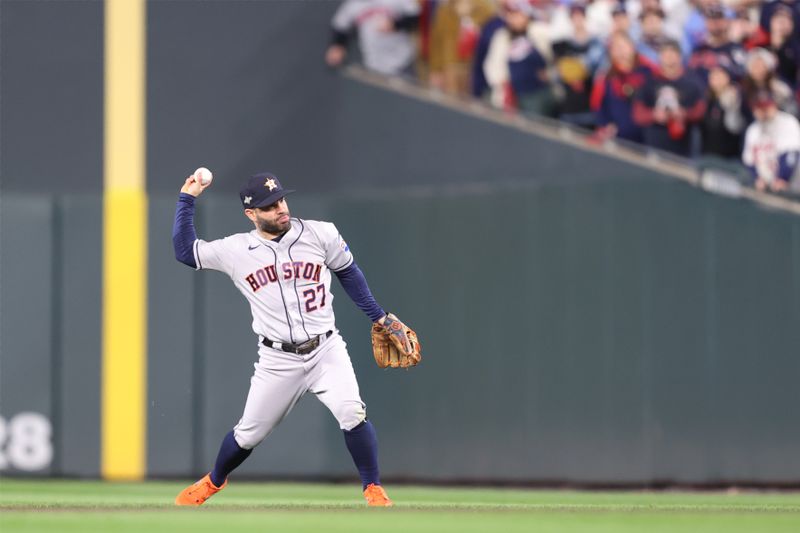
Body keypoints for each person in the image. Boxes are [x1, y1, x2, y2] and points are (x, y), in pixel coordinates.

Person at [172, 172, 420, 507]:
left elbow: (348, 271)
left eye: (281, 200)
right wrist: (187, 199)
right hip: (277, 360)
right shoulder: (236, 250)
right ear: (251, 214)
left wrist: (378, 314)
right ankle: (213, 482)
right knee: (248, 434)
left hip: (326, 349)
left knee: (351, 411)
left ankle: (373, 488)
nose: (280, 209)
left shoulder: (321, 233)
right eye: (269, 206)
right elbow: (186, 252)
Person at [633, 40, 706, 156]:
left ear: (679, 57)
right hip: (654, 145)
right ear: (660, 57)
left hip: (682, 148)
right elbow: (638, 114)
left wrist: (684, 114)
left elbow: (701, 111)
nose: (669, 58)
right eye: (665, 54)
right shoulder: (649, 82)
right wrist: (654, 115)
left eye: (672, 54)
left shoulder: (692, 82)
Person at [590, 30, 655, 144]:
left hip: (648, 137)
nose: (620, 51)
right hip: (618, 140)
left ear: (632, 47)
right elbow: (598, 107)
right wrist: (606, 125)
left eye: (623, 46)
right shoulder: (606, 78)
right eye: (615, 48)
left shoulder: (648, 71)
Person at [325, 0, 421, 75]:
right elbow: (340, 26)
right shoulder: (353, 4)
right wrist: (338, 45)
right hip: (373, 65)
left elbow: (416, 17)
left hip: (403, 61)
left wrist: (395, 24)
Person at [742, 92, 800, 192]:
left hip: (793, 185)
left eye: (767, 107)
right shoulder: (753, 130)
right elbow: (749, 160)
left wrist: (782, 178)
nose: (764, 112)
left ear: (774, 106)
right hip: (768, 187)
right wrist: (757, 177)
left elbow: (791, 154)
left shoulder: (788, 122)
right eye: (760, 108)